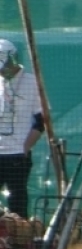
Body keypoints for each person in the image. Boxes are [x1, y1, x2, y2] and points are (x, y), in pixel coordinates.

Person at [0, 39, 44, 219]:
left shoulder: (32, 83)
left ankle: (18, 235)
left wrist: (25, 147)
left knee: (17, 202)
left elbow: (41, 121)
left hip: (17, 156)